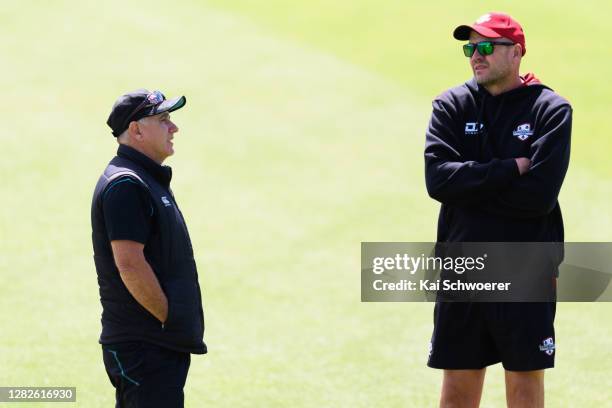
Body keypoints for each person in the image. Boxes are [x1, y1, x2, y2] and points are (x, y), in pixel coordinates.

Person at [424, 13, 572, 408]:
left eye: (487, 46)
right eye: (470, 47)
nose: (476, 55)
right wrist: (510, 168)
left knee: (524, 390)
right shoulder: (450, 105)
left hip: (526, 267)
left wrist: (469, 186)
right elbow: (438, 181)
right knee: (456, 392)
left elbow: (537, 197)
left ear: (517, 52)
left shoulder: (551, 110)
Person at [91, 89, 206, 407]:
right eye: (164, 119)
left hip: (154, 343)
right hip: (145, 344)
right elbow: (129, 263)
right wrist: (168, 318)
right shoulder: (127, 184)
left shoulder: (144, 179)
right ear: (136, 129)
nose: (174, 128)